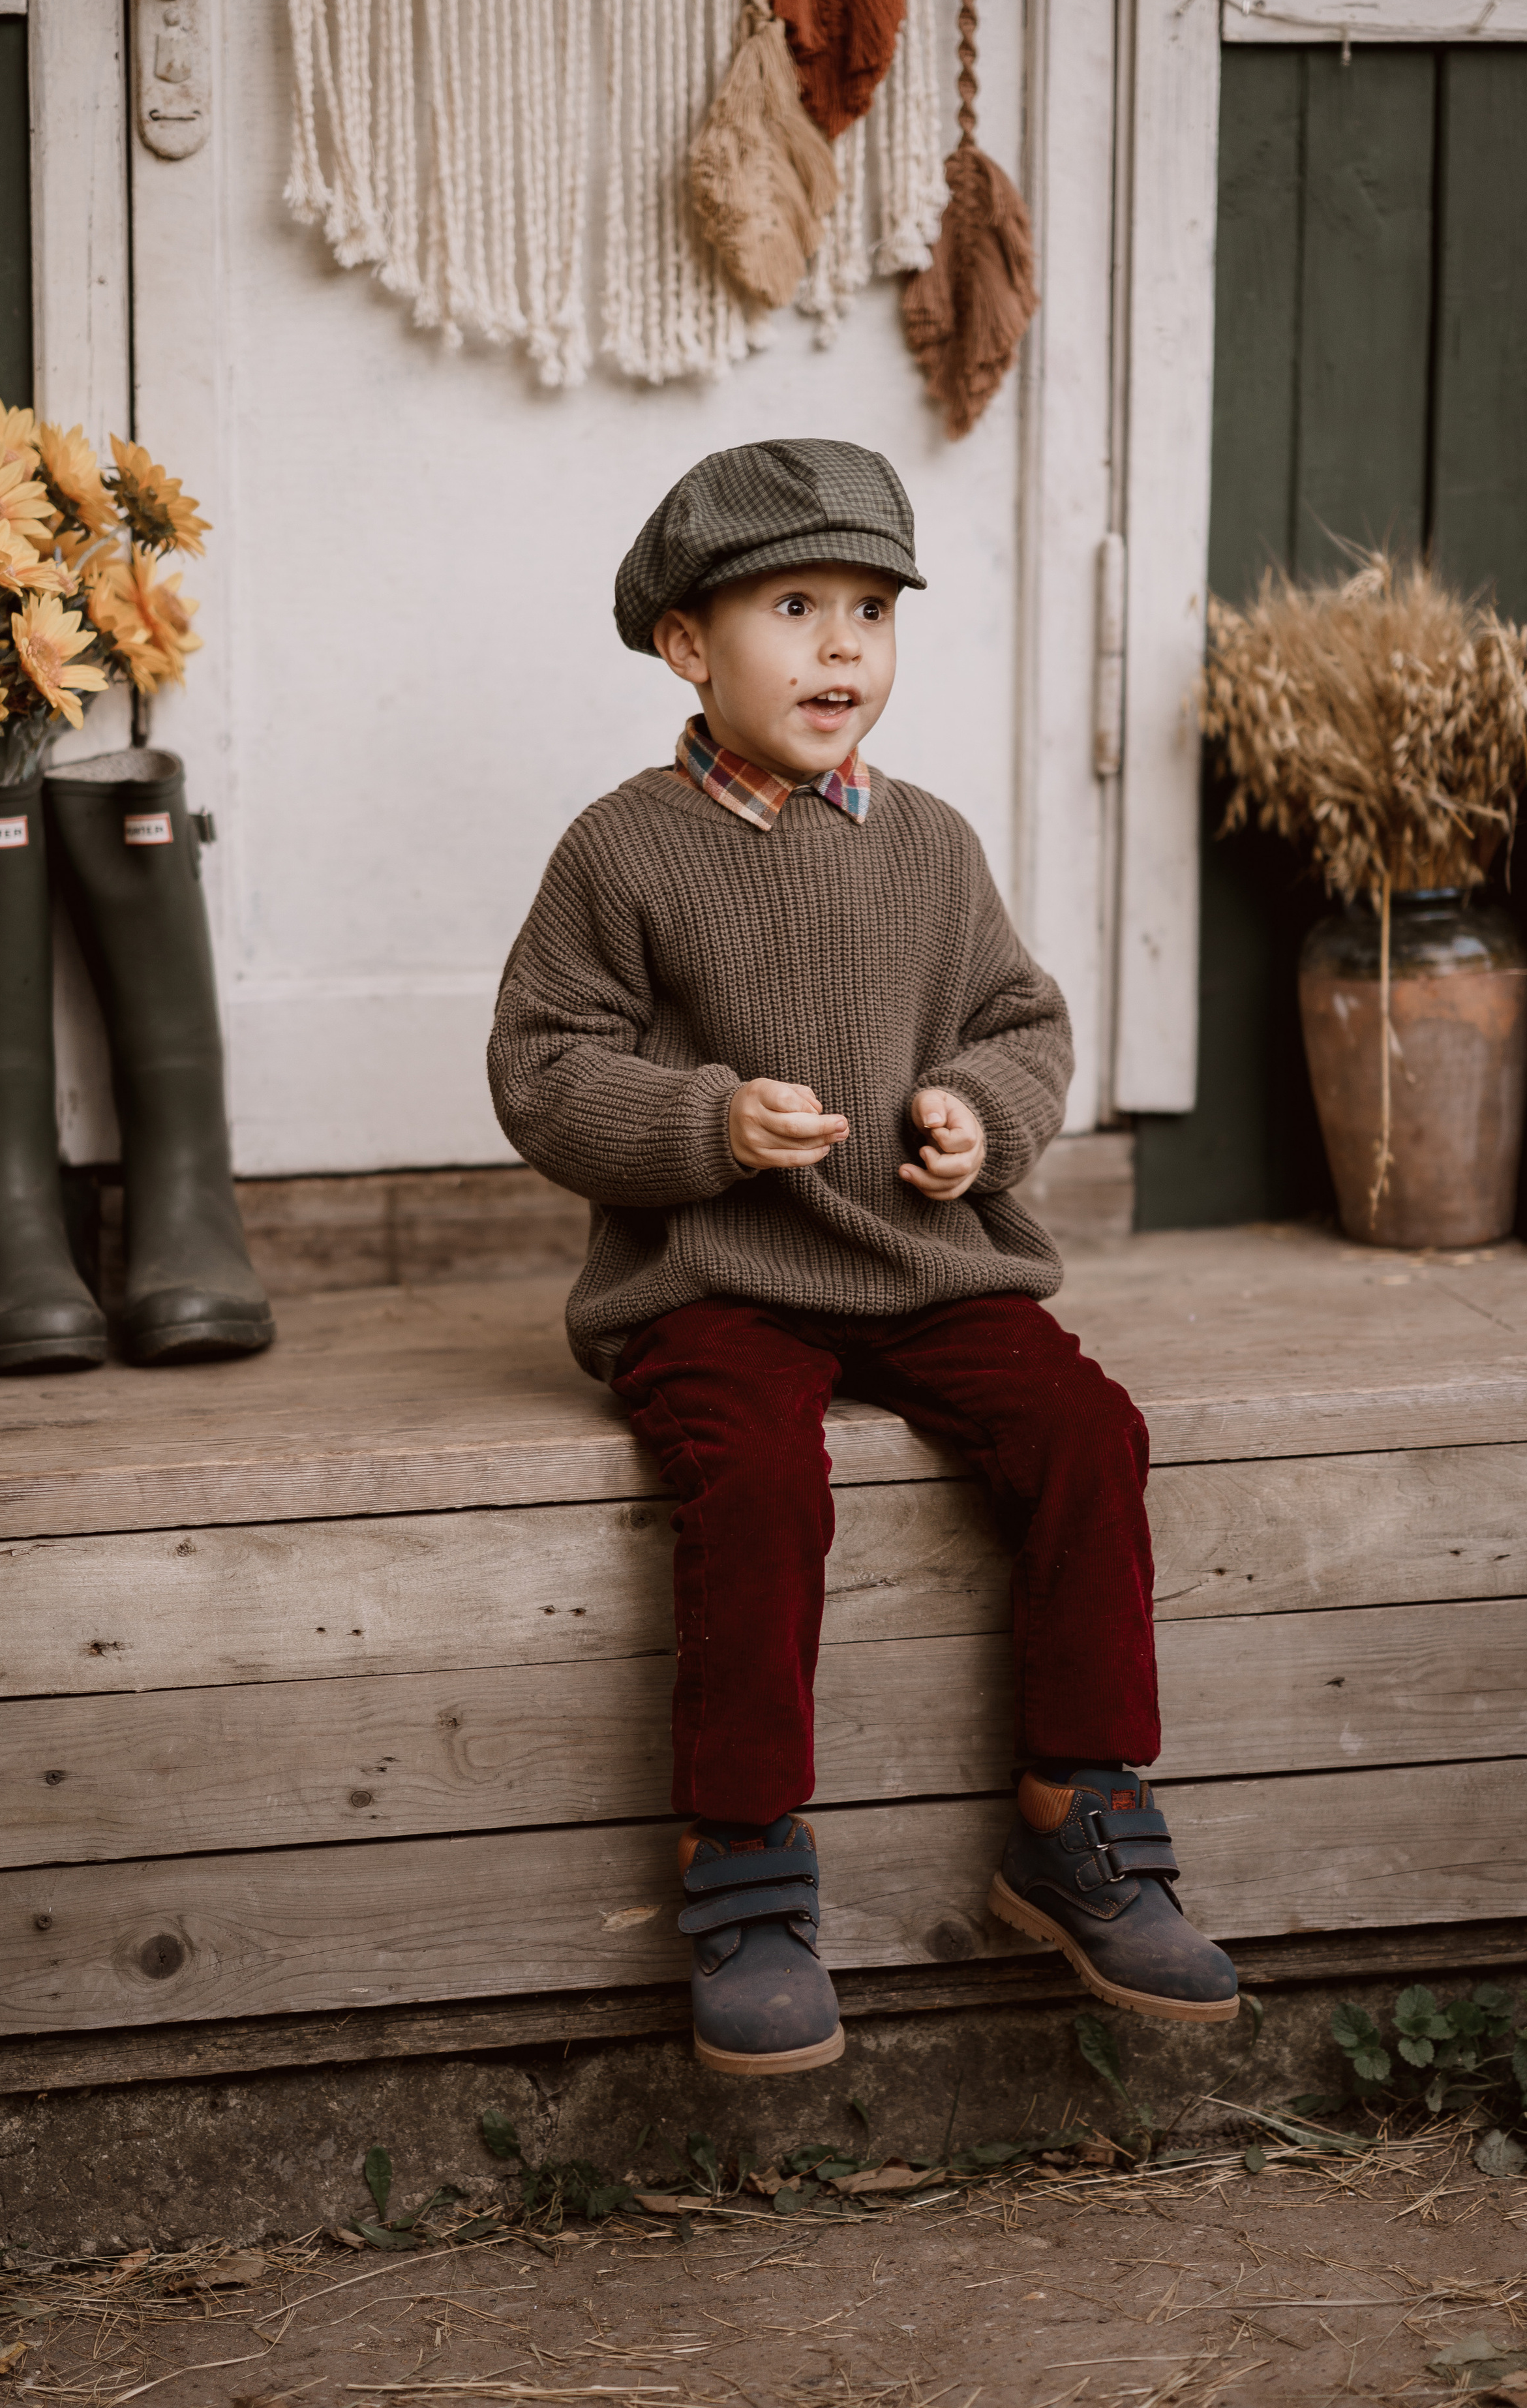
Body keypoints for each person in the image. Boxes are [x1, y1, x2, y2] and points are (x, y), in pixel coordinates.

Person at [488, 438, 1237, 2078]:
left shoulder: (930, 846)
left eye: (871, 612)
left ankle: (1073, 1806)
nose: (842, 649)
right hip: (716, 1274)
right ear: (686, 644)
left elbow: (1017, 1022)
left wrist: (979, 1113)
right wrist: (699, 1122)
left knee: (1082, 1432)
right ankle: (744, 1860)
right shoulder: (622, 851)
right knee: (757, 1475)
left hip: (914, 1253)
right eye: (793, 607)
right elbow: (541, 1067)